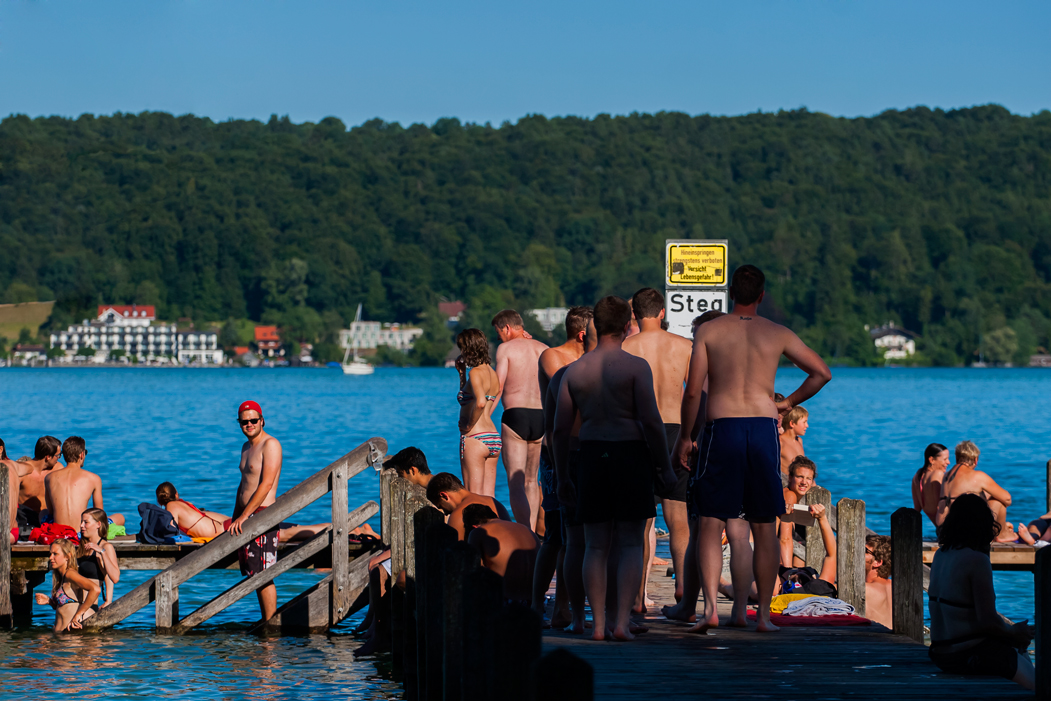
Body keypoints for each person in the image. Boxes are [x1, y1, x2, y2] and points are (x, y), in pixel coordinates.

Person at [675, 264, 831, 634]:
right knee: (763, 525)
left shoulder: (710, 331)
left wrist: (685, 437)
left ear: (731, 293)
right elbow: (821, 372)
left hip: (721, 427)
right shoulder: (776, 333)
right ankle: (761, 617)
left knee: (711, 522)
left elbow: (694, 390)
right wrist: (785, 402)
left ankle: (711, 609)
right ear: (761, 295)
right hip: (762, 428)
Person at [553, 295, 677, 641]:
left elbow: (560, 429)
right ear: (626, 327)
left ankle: (596, 624)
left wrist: (563, 475)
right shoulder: (636, 367)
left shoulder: (575, 371)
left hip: (592, 454)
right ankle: (621, 622)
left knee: (594, 545)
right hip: (629, 453)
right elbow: (652, 422)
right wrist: (664, 466)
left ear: (594, 326)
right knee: (629, 543)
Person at [623, 288, 693, 606]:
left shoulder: (626, 347)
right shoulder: (685, 347)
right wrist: (691, 436)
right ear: (662, 312)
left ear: (634, 313)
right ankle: (682, 589)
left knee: (642, 520)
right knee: (678, 517)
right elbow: (696, 395)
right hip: (677, 430)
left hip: (640, 433)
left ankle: (638, 595)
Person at [927, 493, 1034, 690]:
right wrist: (1015, 631)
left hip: (940, 654)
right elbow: (988, 621)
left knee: (1014, 645)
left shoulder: (940, 555)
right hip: (967, 654)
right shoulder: (977, 560)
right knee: (1040, 685)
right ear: (983, 524)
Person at [660, 310, 724, 624]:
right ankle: (744, 610)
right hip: (743, 443)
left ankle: (693, 606)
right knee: (741, 529)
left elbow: (696, 395)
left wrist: (688, 438)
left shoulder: (707, 361)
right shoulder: (743, 358)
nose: (693, 342)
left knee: (700, 527)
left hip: (708, 444)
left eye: (697, 335)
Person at [533, 306, 592, 628]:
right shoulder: (552, 357)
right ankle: (538, 602)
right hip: (556, 453)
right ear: (584, 333)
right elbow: (570, 389)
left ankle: (567, 606)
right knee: (555, 536)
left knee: (580, 537)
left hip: (585, 451)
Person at [492, 309, 549, 528]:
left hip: (516, 416)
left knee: (515, 482)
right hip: (541, 416)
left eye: (499, 332)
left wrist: (484, 417)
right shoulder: (544, 349)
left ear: (507, 328)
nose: (499, 337)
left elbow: (498, 387)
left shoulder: (505, 349)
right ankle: (533, 532)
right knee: (532, 481)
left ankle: (525, 532)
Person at [229, 400, 284, 621]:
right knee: (254, 573)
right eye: (244, 421)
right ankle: (265, 621)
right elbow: (243, 484)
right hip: (245, 516)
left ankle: (271, 625)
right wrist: (236, 515)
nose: (249, 424)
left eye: (253, 420)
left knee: (264, 574)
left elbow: (266, 484)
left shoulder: (270, 444)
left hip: (263, 515)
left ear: (262, 420)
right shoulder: (245, 447)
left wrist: (245, 515)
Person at [456, 328, 502, 496]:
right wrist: (461, 374)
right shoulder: (492, 373)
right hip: (493, 438)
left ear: (468, 349)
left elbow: (480, 403)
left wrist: (469, 424)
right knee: (489, 498)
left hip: (475, 438)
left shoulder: (475, 373)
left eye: (462, 348)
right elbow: (469, 398)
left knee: (472, 497)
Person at [464, 504, 540, 603]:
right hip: (535, 600)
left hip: (505, 601)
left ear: (474, 526)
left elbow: (473, 569)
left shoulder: (478, 531)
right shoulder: (526, 529)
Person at [936, 441, 1012, 538]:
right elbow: (1007, 499)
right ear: (976, 460)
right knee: (999, 502)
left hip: (944, 531)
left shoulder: (946, 476)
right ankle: (1002, 535)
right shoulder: (977, 476)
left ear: (957, 458)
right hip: (966, 531)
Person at [33, 538, 100, 633]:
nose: (51, 557)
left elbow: (95, 589)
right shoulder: (61, 578)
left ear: (67, 556)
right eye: (50, 554)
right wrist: (49, 602)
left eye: (55, 554)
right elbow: (65, 607)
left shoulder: (70, 574)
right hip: (61, 638)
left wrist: (79, 614)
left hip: (70, 640)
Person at [425, 472, 511, 540]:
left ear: (444, 496)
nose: (446, 513)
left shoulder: (458, 515)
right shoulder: (495, 503)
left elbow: (454, 555)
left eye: (441, 507)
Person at [44, 437, 105, 529]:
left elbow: (51, 512)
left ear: (64, 456)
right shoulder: (94, 478)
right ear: (82, 454)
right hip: (81, 532)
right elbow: (99, 514)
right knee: (119, 517)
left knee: (43, 513)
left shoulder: (49, 478)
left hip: (59, 533)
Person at [15, 436, 62, 527]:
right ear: (48, 457)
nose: (59, 458)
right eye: (57, 455)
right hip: (26, 520)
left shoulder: (57, 469)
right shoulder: (22, 471)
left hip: (49, 519)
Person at [77, 508, 120, 609]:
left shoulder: (106, 547)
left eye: (86, 522)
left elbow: (114, 577)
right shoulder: (80, 547)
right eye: (81, 522)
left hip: (88, 606)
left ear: (98, 524)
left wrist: (102, 552)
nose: (81, 525)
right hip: (72, 604)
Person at [779, 456, 816, 567]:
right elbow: (784, 539)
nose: (804, 482)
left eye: (808, 478)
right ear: (790, 477)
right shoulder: (790, 496)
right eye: (800, 477)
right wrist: (787, 572)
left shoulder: (791, 496)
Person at [912, 443, 950, 526]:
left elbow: (917, 509)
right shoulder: (938, 474)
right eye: (945, 459)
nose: (948, 462)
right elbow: (941, 506)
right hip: (948, 528)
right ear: (931, 460)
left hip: (939, 530)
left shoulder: (917, 477)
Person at [864, 534, 893, 629]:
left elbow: (823, 590)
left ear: (878, 562)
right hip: (901, 642)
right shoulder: (899, 588)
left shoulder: (865, 589)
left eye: (865, 551)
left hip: (874, 642)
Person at [778, 407, 808, 475]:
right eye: (804, 422)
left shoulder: (799, 441)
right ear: (792, 423)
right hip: (784, 483)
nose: (807, 425)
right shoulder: (780, 442)